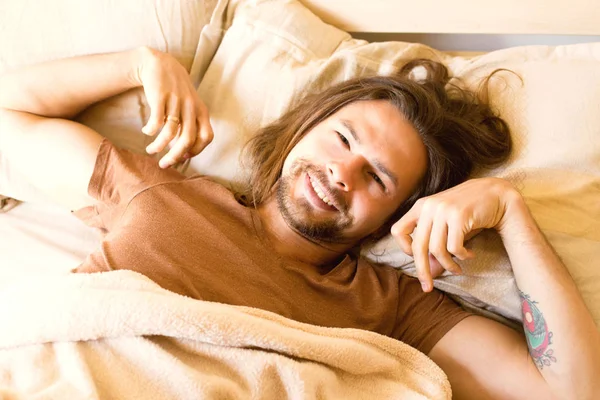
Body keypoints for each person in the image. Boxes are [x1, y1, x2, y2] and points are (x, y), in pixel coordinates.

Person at [0, 46, 598, 399]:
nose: (345, 173)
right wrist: (141, 63)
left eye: (379, 179)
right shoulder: (160, 192)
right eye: (342, 139)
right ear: (302, 129)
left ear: (397, 216)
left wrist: (508, 209)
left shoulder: (392, 305)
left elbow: (571, 391)